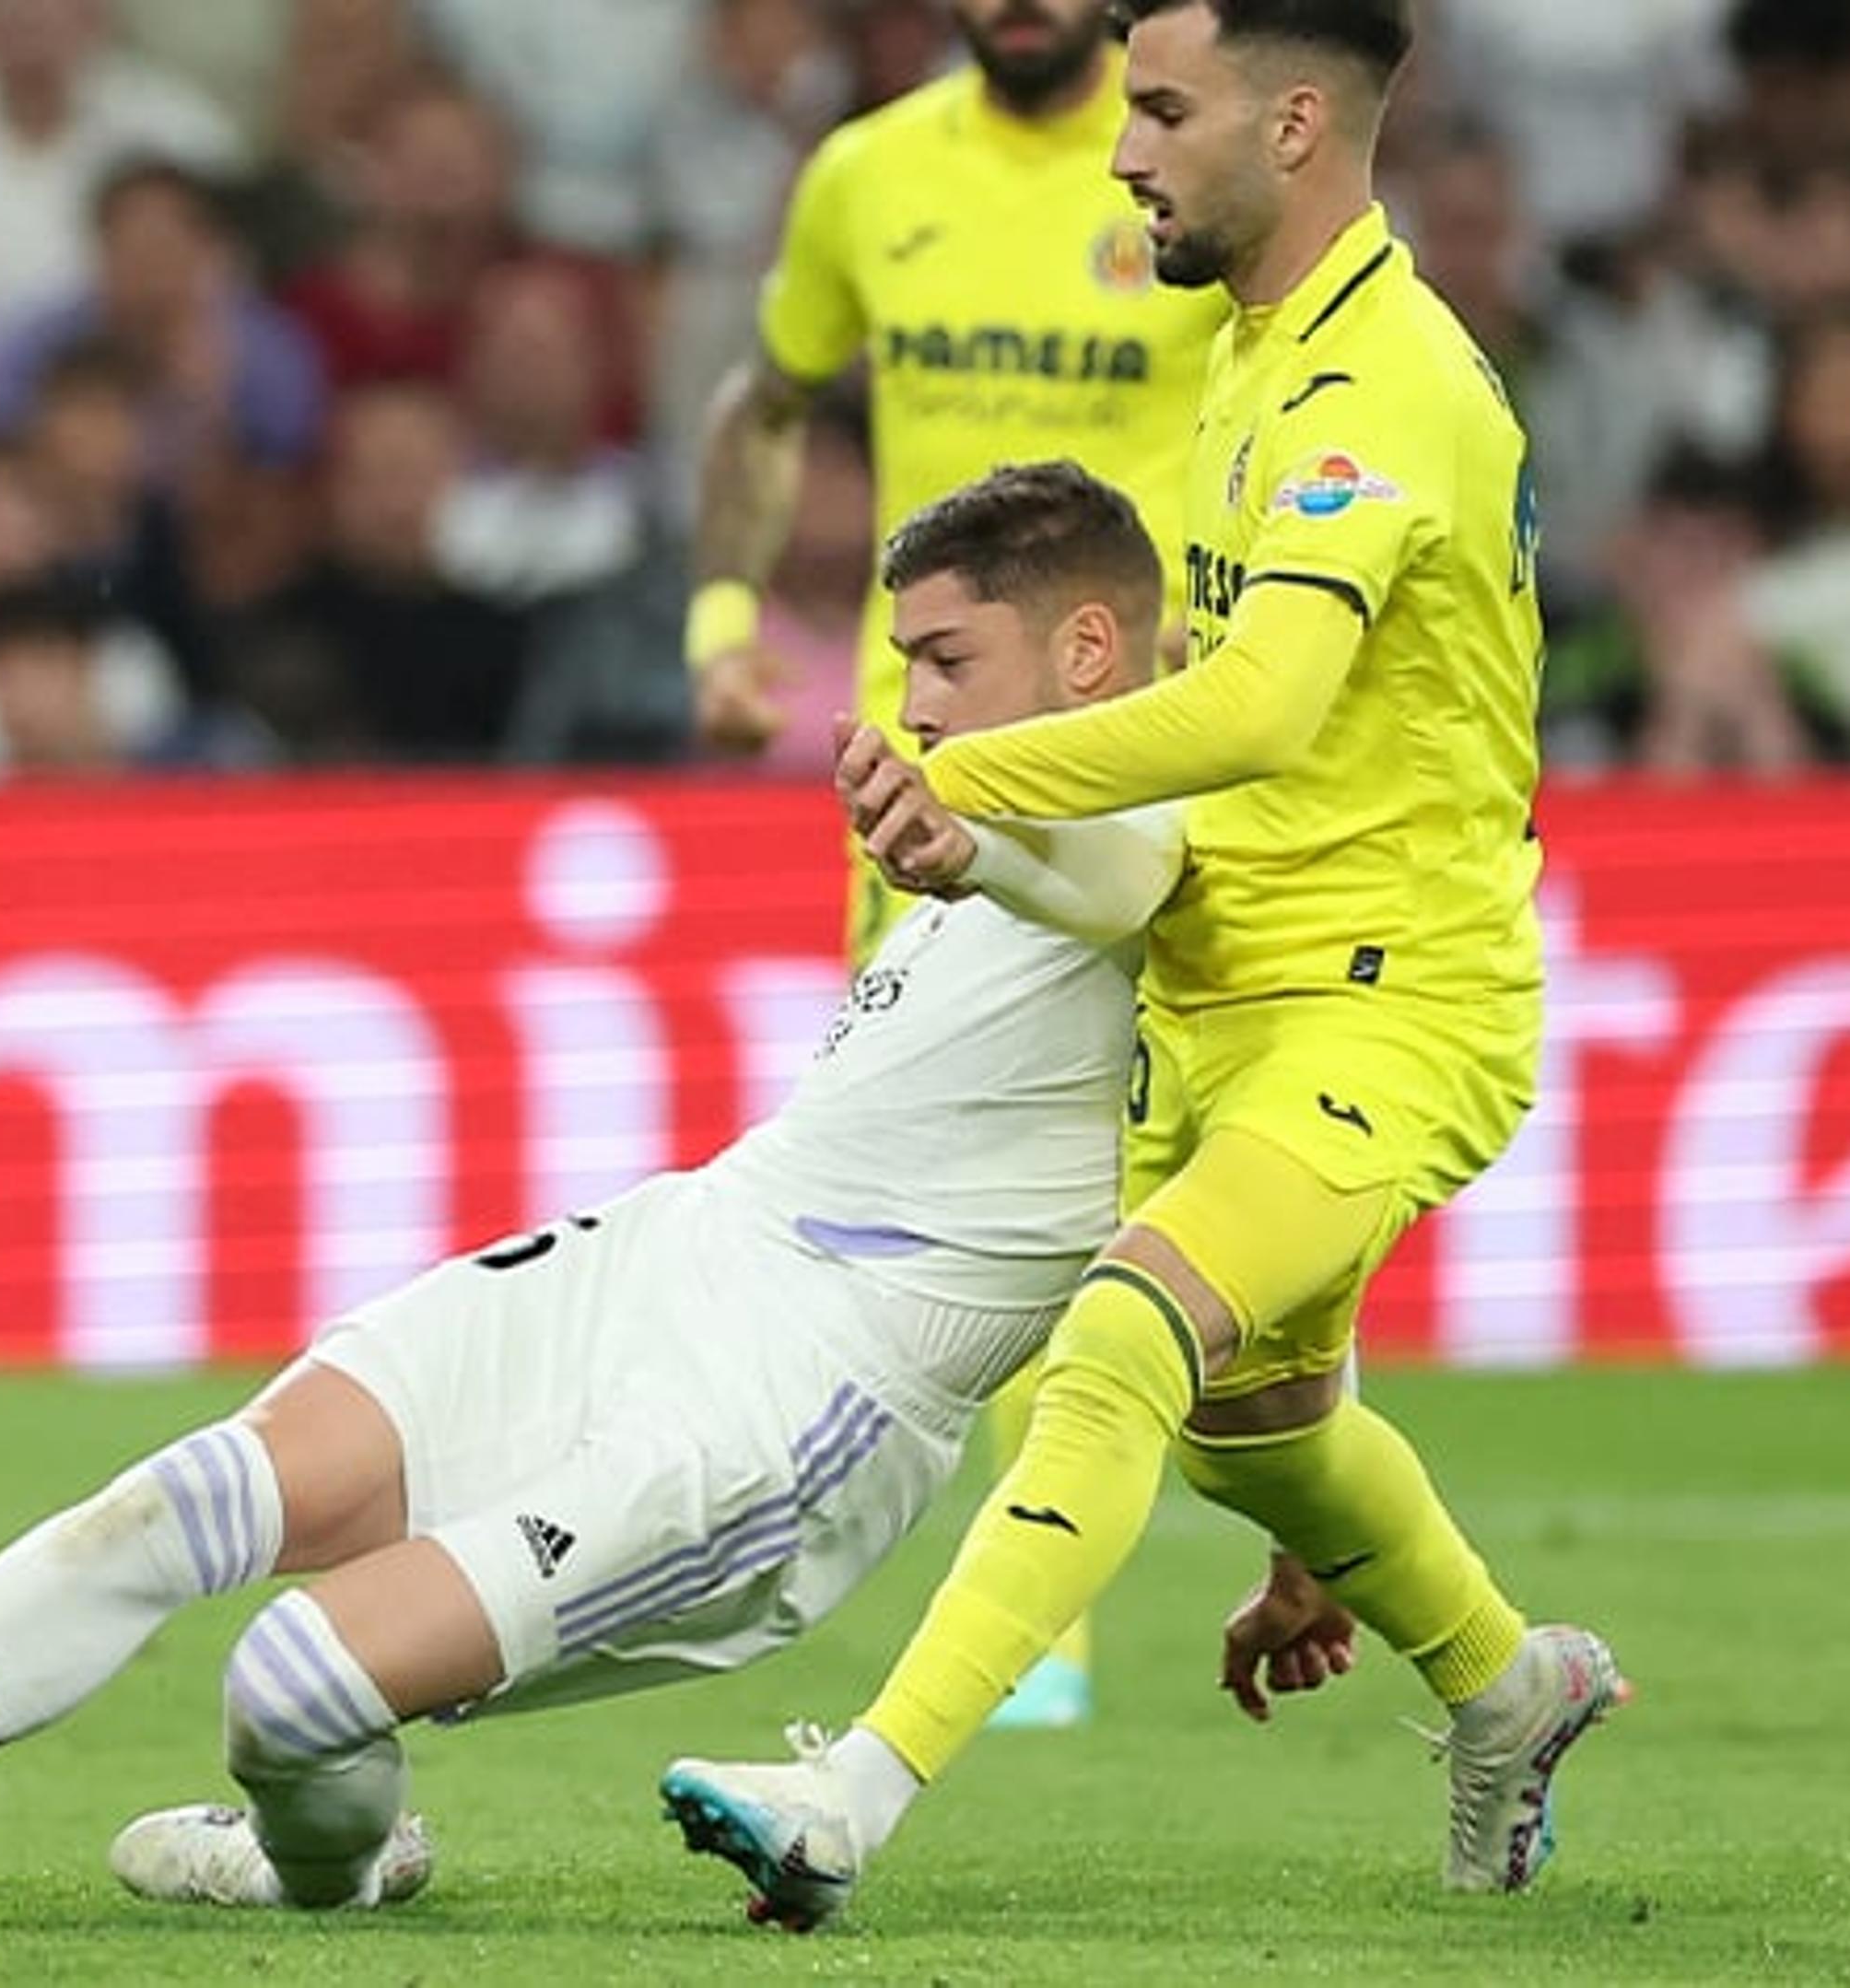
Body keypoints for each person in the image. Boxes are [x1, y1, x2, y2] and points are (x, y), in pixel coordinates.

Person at [0, 459, 1186, 1932]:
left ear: (1089, 648)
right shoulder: (981, 808)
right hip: (677, 1246)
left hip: (795, 1409)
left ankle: (321, 1872)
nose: (919, 705)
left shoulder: (1161, 825)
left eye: (949, 661)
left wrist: (980, 843)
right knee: (170, 1503)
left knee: (285, 1684)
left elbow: (1122, 876)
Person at [658, 0, 1625, 1934]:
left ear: (1290, 121)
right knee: (1256, 1432)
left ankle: (852, 1788)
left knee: (1116, 1334)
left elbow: (1265, 707)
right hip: (1221, 984)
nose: (1123, 151)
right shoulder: (1262, 350)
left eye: (1163, 110)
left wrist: (971, 770)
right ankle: (1511, 1682)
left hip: (1386, 1000)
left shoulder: (1377, 386)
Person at [681, 0, 1235, 1731]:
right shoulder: (866, 177)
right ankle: (1003, 1601)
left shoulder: (1172, 162)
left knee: (1153, 1167)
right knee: (946, 1174)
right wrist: (719, 619)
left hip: (1163, 758)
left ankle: (1198, 1543)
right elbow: (762, 406)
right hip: (919, 783)